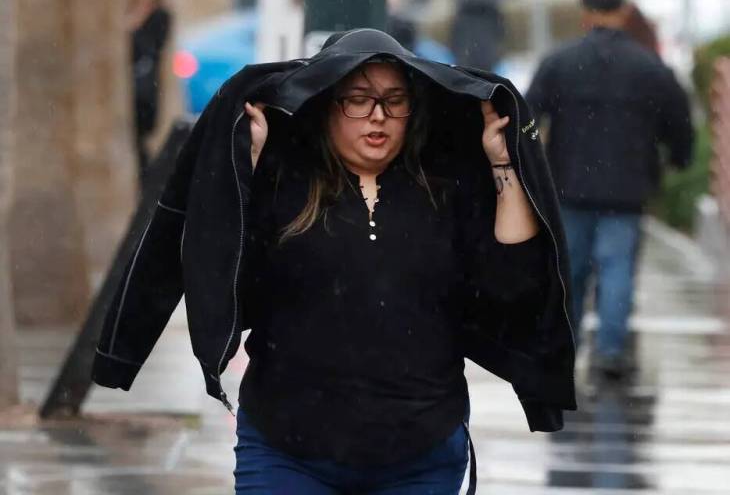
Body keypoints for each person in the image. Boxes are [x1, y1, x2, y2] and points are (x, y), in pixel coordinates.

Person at [92, 29, 576, 494]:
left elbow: (513, 284)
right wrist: (248, 170)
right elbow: (226, 279)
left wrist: (503, 164)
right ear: (328, 106)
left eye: (394, 100)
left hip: (422, 453)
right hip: (286, 450)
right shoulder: (284, 188)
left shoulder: (445, 192)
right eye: (358, 98)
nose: (378, 116)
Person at [526, 0, 693, 378]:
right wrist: (679, 158)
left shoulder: (560, 62)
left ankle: (566, 349)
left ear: (585, 14)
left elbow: (528, 116)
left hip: (569, 184)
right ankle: (610, 351)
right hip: (628, 187)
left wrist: (530, 166)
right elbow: (679, 123)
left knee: (573, 272)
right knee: (616, 269)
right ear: (623, 13)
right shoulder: (649, 66)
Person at [124, 0, 171, 185]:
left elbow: (150, 46)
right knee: (134, 141)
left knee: (141, 139)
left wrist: (143, 7)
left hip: (145, 86)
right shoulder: (129, 13)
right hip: (132, 84)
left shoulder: (161, 16)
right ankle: (146, 181)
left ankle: (148, 182)